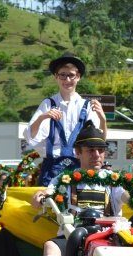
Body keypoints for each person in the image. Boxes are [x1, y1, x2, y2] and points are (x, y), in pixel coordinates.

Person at [32, 122, 132, 256]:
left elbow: (126, 195)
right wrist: (40, 195)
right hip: (72, 237)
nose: (97, 154)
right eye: (90, 150)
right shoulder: (65, 179)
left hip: (107, 238)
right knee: (51, 247)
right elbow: (48, 192)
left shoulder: (114, 180)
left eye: (100, 150)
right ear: (78, 153)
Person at [24, 54, 107, 185]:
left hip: (80, 167)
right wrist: (43, 117)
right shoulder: (48, 103)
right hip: (51, 167)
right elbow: (30, 136)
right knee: (48, 203)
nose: (67, 79)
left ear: (78, 77)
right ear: (56, 77)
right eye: (62, 75)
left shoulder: (86, 106)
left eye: (71, 75)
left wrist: (103, 119)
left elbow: (99, 140)